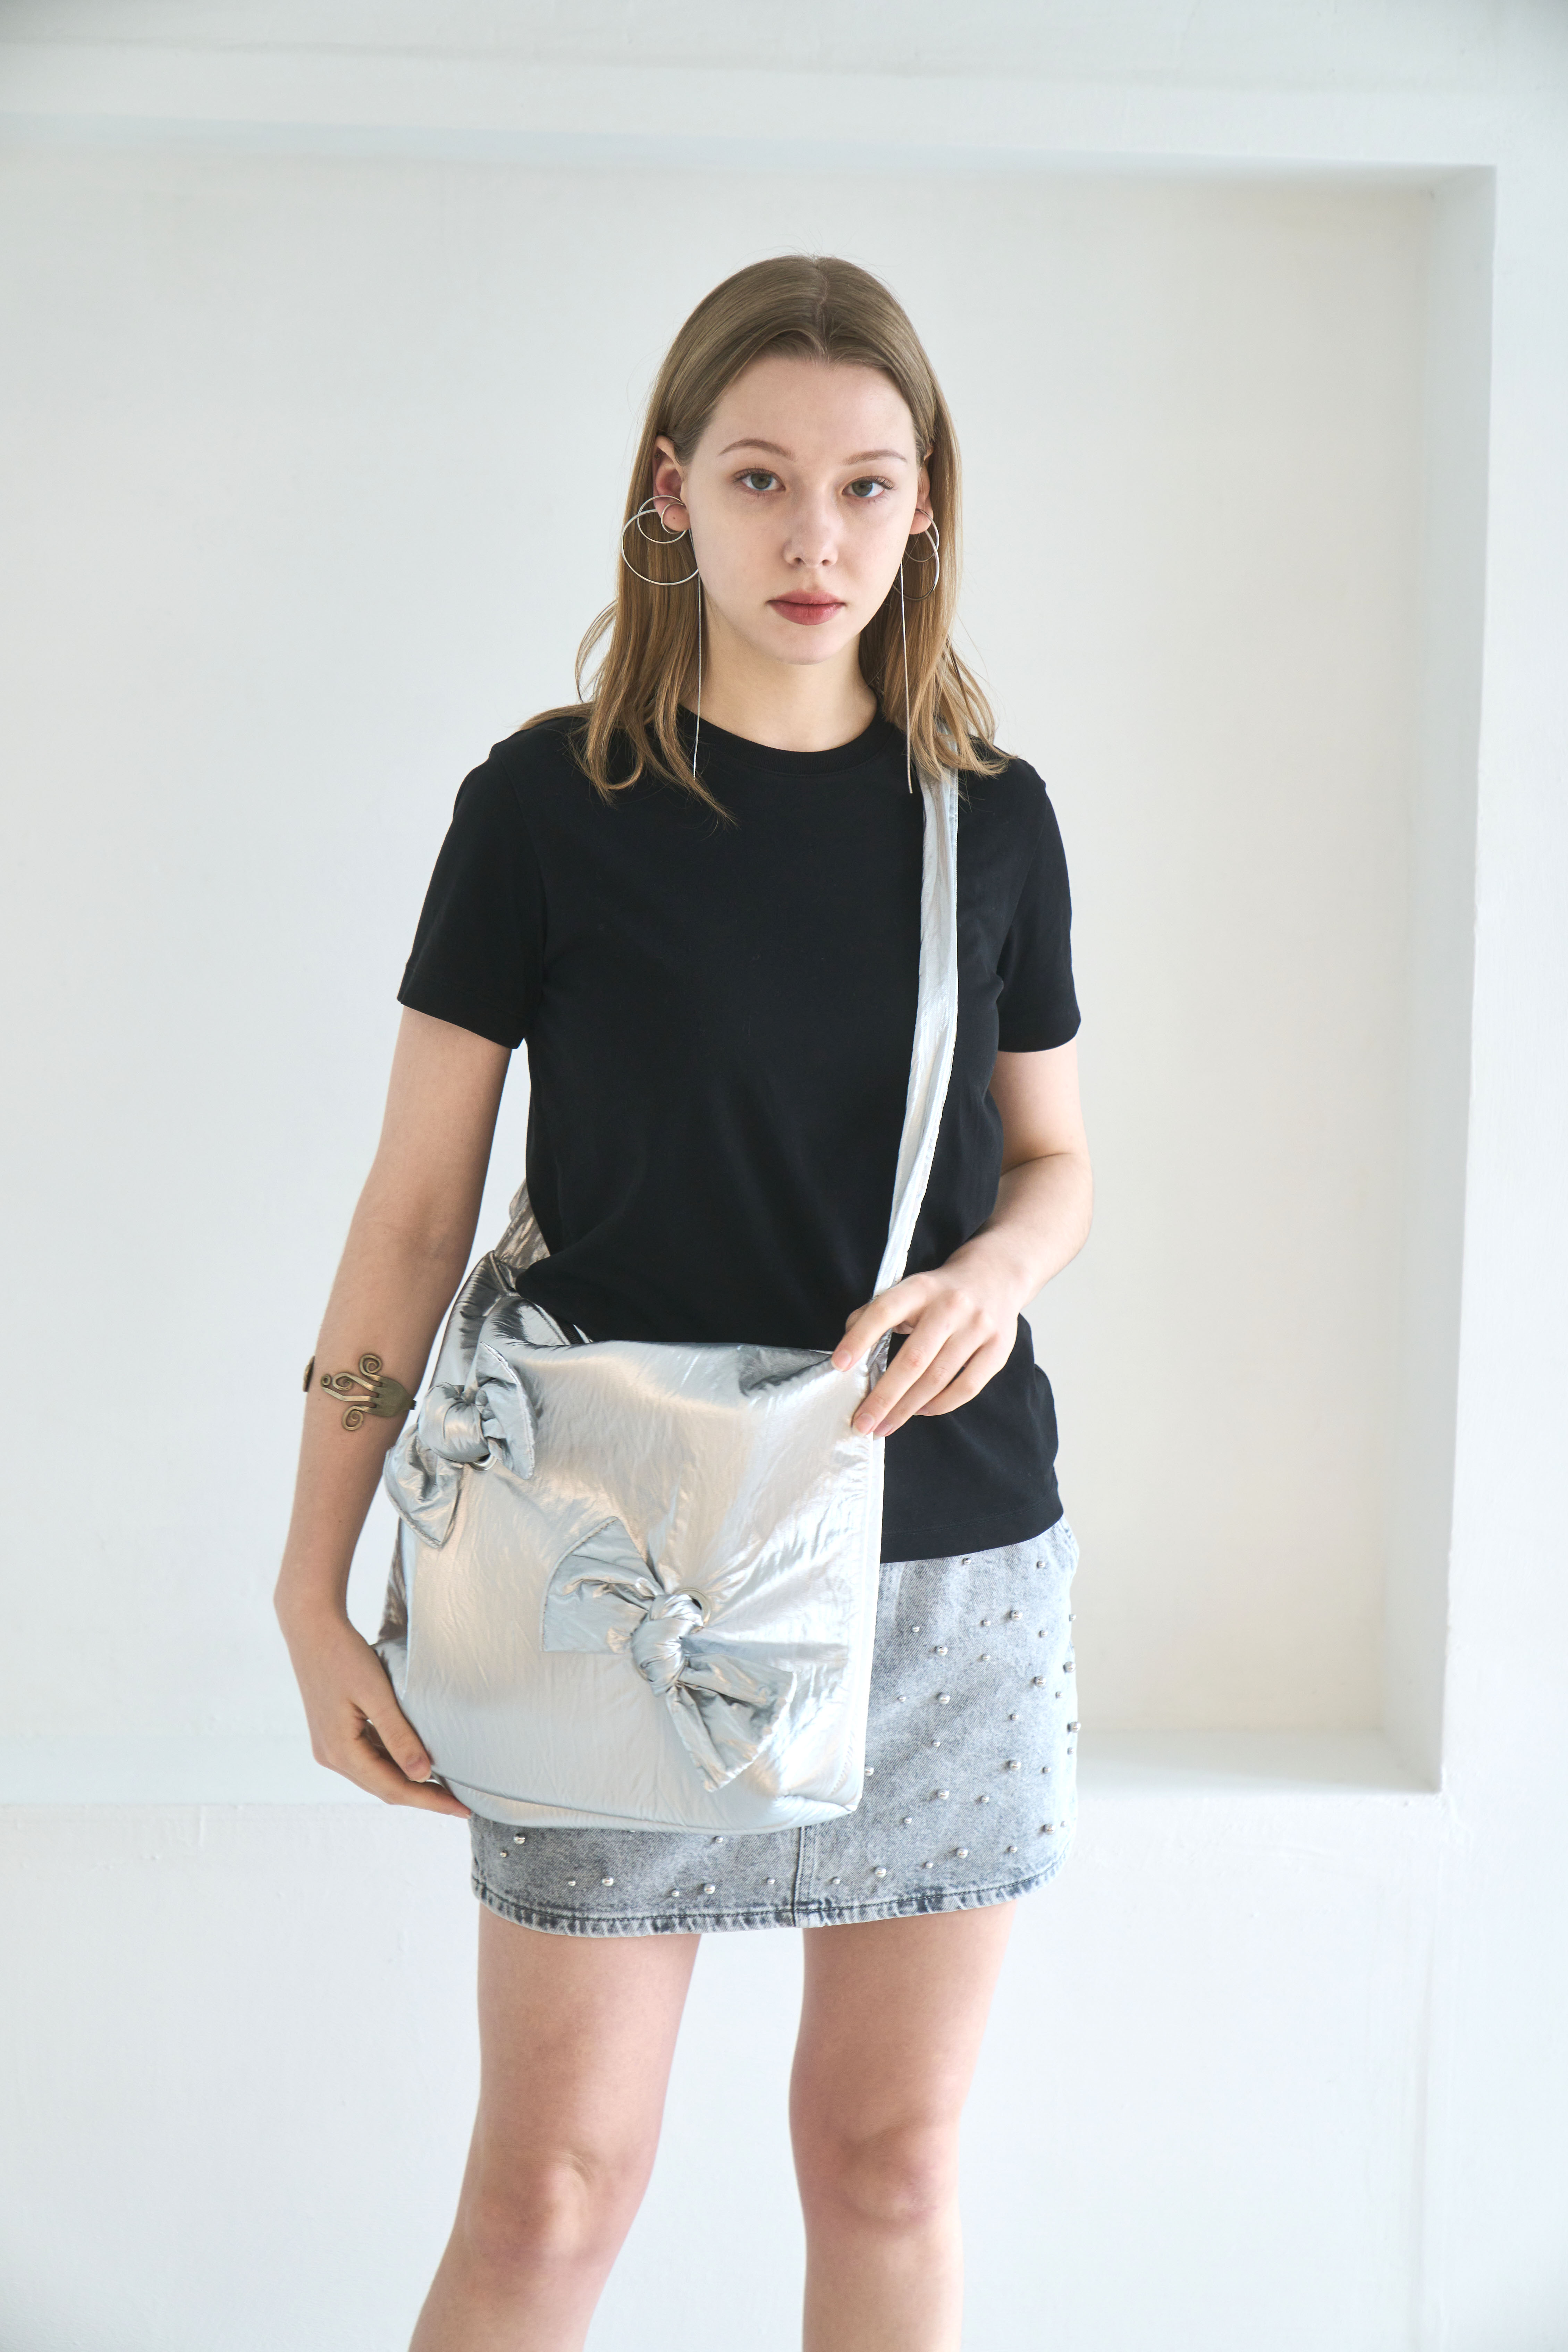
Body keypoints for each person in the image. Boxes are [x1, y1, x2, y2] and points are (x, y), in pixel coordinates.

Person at [275, 253, 1092, 2352]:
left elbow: (1056, 1164)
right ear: (670, 491)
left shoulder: (991, 822)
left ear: (924, 505)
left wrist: (993, 1274)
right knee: (551, 2191)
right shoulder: (544, 810)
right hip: (612, 1566)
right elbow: (413, 1215)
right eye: (758, 478)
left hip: (941, 1561)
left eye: (865, 484)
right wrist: (310, 1583)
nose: (815, 535)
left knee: (889, 2166)